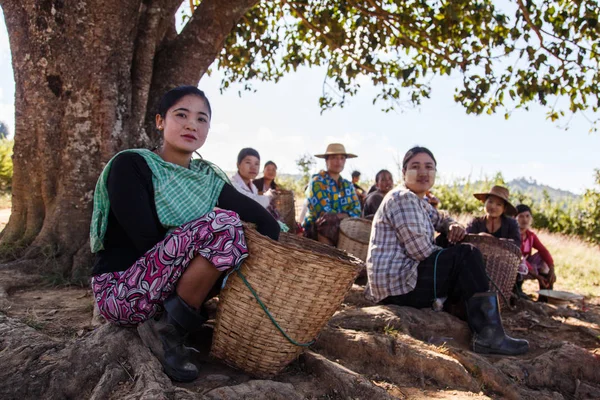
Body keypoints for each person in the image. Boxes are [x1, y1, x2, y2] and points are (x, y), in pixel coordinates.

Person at [90, 86, 280, 382]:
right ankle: (167, 330)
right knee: (225, 225)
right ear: (160, 121)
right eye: (181, 115)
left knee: (235, 231)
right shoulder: (132, 165)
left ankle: (171, 325)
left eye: (202, 119)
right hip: (123, 292)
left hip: (162, 289)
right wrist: (205, 240)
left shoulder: (205, 179)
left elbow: (264, 222)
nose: (192, 124)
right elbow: (146, 243)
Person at [366, 146, 528, 356]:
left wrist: (451, 226)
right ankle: (489, 336)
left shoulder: (419, 201)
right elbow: (422, 252)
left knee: (452, 242)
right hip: (397, 286)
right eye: (415, 167)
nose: (423, 172)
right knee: (466, 254)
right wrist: (455, 255)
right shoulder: (402, 198)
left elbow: (441, 219)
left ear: (435, 172)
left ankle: (465, 314)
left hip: (405, 278)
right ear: (404, 173)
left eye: (429, 167)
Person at [303, 143, 361, 246]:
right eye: (334, 158)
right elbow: (323, 212)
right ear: (326, 160)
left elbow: (356, 209)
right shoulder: (318, 181)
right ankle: (329, 257)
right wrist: (345, 216)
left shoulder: (347, 185)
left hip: (344, 226)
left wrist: (342, 217)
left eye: (342, 158)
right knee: (329, 221)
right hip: (317, 228)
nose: (338, 161)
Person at [515, 204, 556, 298]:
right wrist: (536, 275)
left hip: (527, 265)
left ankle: (545, 297)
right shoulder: (514, 234)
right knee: (520, 261)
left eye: (527, 216)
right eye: (521, 216)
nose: (525, 220)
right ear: (515, 218)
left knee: (545, 261)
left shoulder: (530, 236)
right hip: (516, 265)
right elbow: (519, 256)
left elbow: (543, 250)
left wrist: (552, 268)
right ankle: (517, 291)